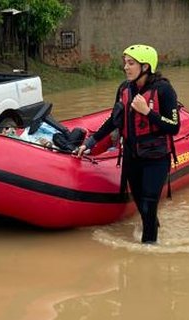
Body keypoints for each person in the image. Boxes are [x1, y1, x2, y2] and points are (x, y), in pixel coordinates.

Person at [76, 44, 180, 244]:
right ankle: (151, 225)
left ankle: (149, 249)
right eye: (125, 63)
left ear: (146, 67)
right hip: (132, 157)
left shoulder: (164, 89)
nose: (126, 67)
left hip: (156, 158)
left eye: (131, 63)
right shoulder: (124, 89)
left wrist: (148, 111)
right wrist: (90, 142)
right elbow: (113, 120)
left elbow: (174, 126)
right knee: (142, 205)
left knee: (149, 204)